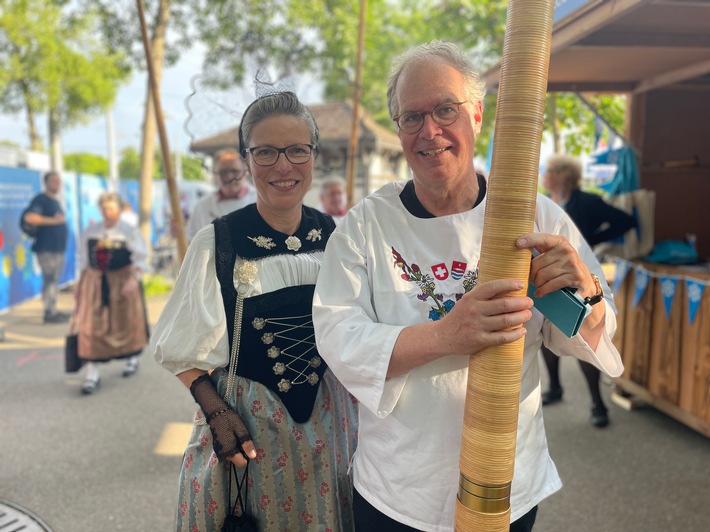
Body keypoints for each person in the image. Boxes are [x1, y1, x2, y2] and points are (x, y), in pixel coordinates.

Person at [312, 41, 624, 532]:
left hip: (506, 478)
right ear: (397, 131)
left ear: (477, 114)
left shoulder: (534, 214)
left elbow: (586, 333)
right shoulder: (366, 226)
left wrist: (588, 298)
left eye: (444, 109)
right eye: (411, 117)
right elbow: (335, 334)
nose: (429, 131)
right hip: (398, 487)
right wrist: (445, 335)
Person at [152, 91, 358, 531]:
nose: (283, 166)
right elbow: (182, 349)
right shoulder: (218, 241)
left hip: (330, 427)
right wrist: (216, 412)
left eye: (297, 150)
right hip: (249, 434)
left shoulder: (335, 236)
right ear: (247, 162)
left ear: (314, 157)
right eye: (265, 152)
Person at [541, 154, 637, 427]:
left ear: (563, 174)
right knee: (545, 331)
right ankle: (555, 387)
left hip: (579, 278)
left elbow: (625, 221)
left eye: (550, 171)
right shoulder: (544, 202)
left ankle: (598, 403)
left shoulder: (587, 201)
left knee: (584, 337)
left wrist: (590, 240)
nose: (546, 176)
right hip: (547, 276)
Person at [73, 192, 150, 395]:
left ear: (118, 208)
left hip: (122, 281)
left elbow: (140, 259)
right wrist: (79, 287)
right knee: (90, 327)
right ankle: (91, 374)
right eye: (104, 208)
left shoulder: (128, 231)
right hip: (95, 282)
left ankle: (131, 359)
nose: (108, 212)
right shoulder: (90, 231)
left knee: (126, 323)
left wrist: (134, 280)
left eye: (112, 208)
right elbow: (82, 259)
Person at [22, 171, 69, 323]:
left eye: (58, 180)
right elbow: (30, 217)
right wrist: (54, 221)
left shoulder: (55, 201)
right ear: (46, 183)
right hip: (47, 249)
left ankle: (53, 309)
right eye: (53, 181)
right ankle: (49, 312)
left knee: (54, 280)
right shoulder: (40, 200)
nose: (56, 183)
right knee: (49, 279)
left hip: (58, 248)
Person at [186, 148, 257, 239]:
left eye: (234, 171)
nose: (229, 177)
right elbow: (192, 240)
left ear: (246, 172)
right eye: (223, 172)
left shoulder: (260, 201)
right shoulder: (203, 206)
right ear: (215, 174)